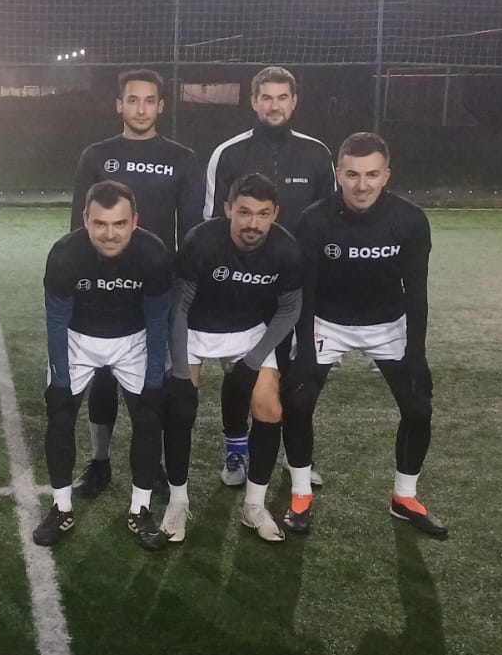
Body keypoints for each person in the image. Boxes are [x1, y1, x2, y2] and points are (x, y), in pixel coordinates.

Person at [285, 132, 446, 538]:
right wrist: (305, 351)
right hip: (327, 322)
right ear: (338, 174)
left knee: (419, 409)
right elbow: (305, 292)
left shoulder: (410, 220)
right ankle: (300, 493)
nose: (362, 185)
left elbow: (417, 293)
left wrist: (417, 354)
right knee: (298, 402)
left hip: (388, 324)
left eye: (372, 174)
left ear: (386, 175)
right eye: (353, 174)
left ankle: (404, 498)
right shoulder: (314, 220)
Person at [67, 68, 201, 499]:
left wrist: (181, 289)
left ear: (160, 107)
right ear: (119, 105)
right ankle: (100, 462)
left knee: (152, 381)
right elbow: (78, 228)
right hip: (103, 289)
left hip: (157, 290)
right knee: (104, 378)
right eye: (132, 100)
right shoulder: (96, 155)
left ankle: (152, 466)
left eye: (148, 101)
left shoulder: (182, 158)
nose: (140, 109)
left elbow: (191, 231)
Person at [202, 65, 334, 488]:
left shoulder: (316, 154)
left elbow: (330, 222)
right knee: (240, 373)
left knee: (296, 376)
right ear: (254, 102)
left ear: (294, 102)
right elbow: (212, 223)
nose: (274, 106)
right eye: (266, 97)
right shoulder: (229, 154)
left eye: (282, 98)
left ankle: (297, 456)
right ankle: (236, 451)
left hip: (297, 289)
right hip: (242, 290)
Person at [33, 181, 173, 551]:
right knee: (60, 415)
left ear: (135, 221)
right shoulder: (64, 255)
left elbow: (158, 321)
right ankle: (61, 508)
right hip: (78, 338)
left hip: (133, 339)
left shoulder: (154, 254)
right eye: (100, 224)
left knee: (149, 417)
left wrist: (155, 379)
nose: (110, 234)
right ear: (85, 219)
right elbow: (56, 321)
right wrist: (60, 380)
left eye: (119, 224)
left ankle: (140, 510)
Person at [163, 174, 302, 544]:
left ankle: (254, 506)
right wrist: (181, 374)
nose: (252, 223)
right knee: (179, 409)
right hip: (195, 329)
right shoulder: (201, 241)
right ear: (227, 209)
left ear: (275, 214)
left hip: (247, 331)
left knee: (269, 408)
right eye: (244, 212)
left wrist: (252, 362)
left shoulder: (286, 249)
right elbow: (179, 308)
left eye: (262, 214)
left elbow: (290, 309)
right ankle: (177, 502)